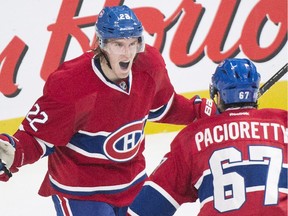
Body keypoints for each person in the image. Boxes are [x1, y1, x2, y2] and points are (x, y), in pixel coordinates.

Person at [0, 5, 216, 216]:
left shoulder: (149, 65)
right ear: (102, 45)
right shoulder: (71, 84)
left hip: (132, 182)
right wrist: (15, 151)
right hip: (81, 191)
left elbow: (164, 108)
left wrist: (202, 110)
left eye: (133, 44)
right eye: (119, 45)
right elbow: (38, 137)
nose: (128, 53)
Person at [127, 58, 288, 216]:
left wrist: (207, 130)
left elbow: (145, 208)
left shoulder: (192, 138)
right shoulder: (283, 124)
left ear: (217, 94)